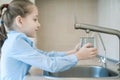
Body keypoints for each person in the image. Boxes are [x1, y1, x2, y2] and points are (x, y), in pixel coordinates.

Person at [0, 0, 97, 80]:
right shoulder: (16, 43)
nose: (39, 24)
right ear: (20, 21)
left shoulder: (16, 40)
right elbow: (51, 65)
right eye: (35, 19)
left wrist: (73, 52)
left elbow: (45, 55)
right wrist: (78, 56)